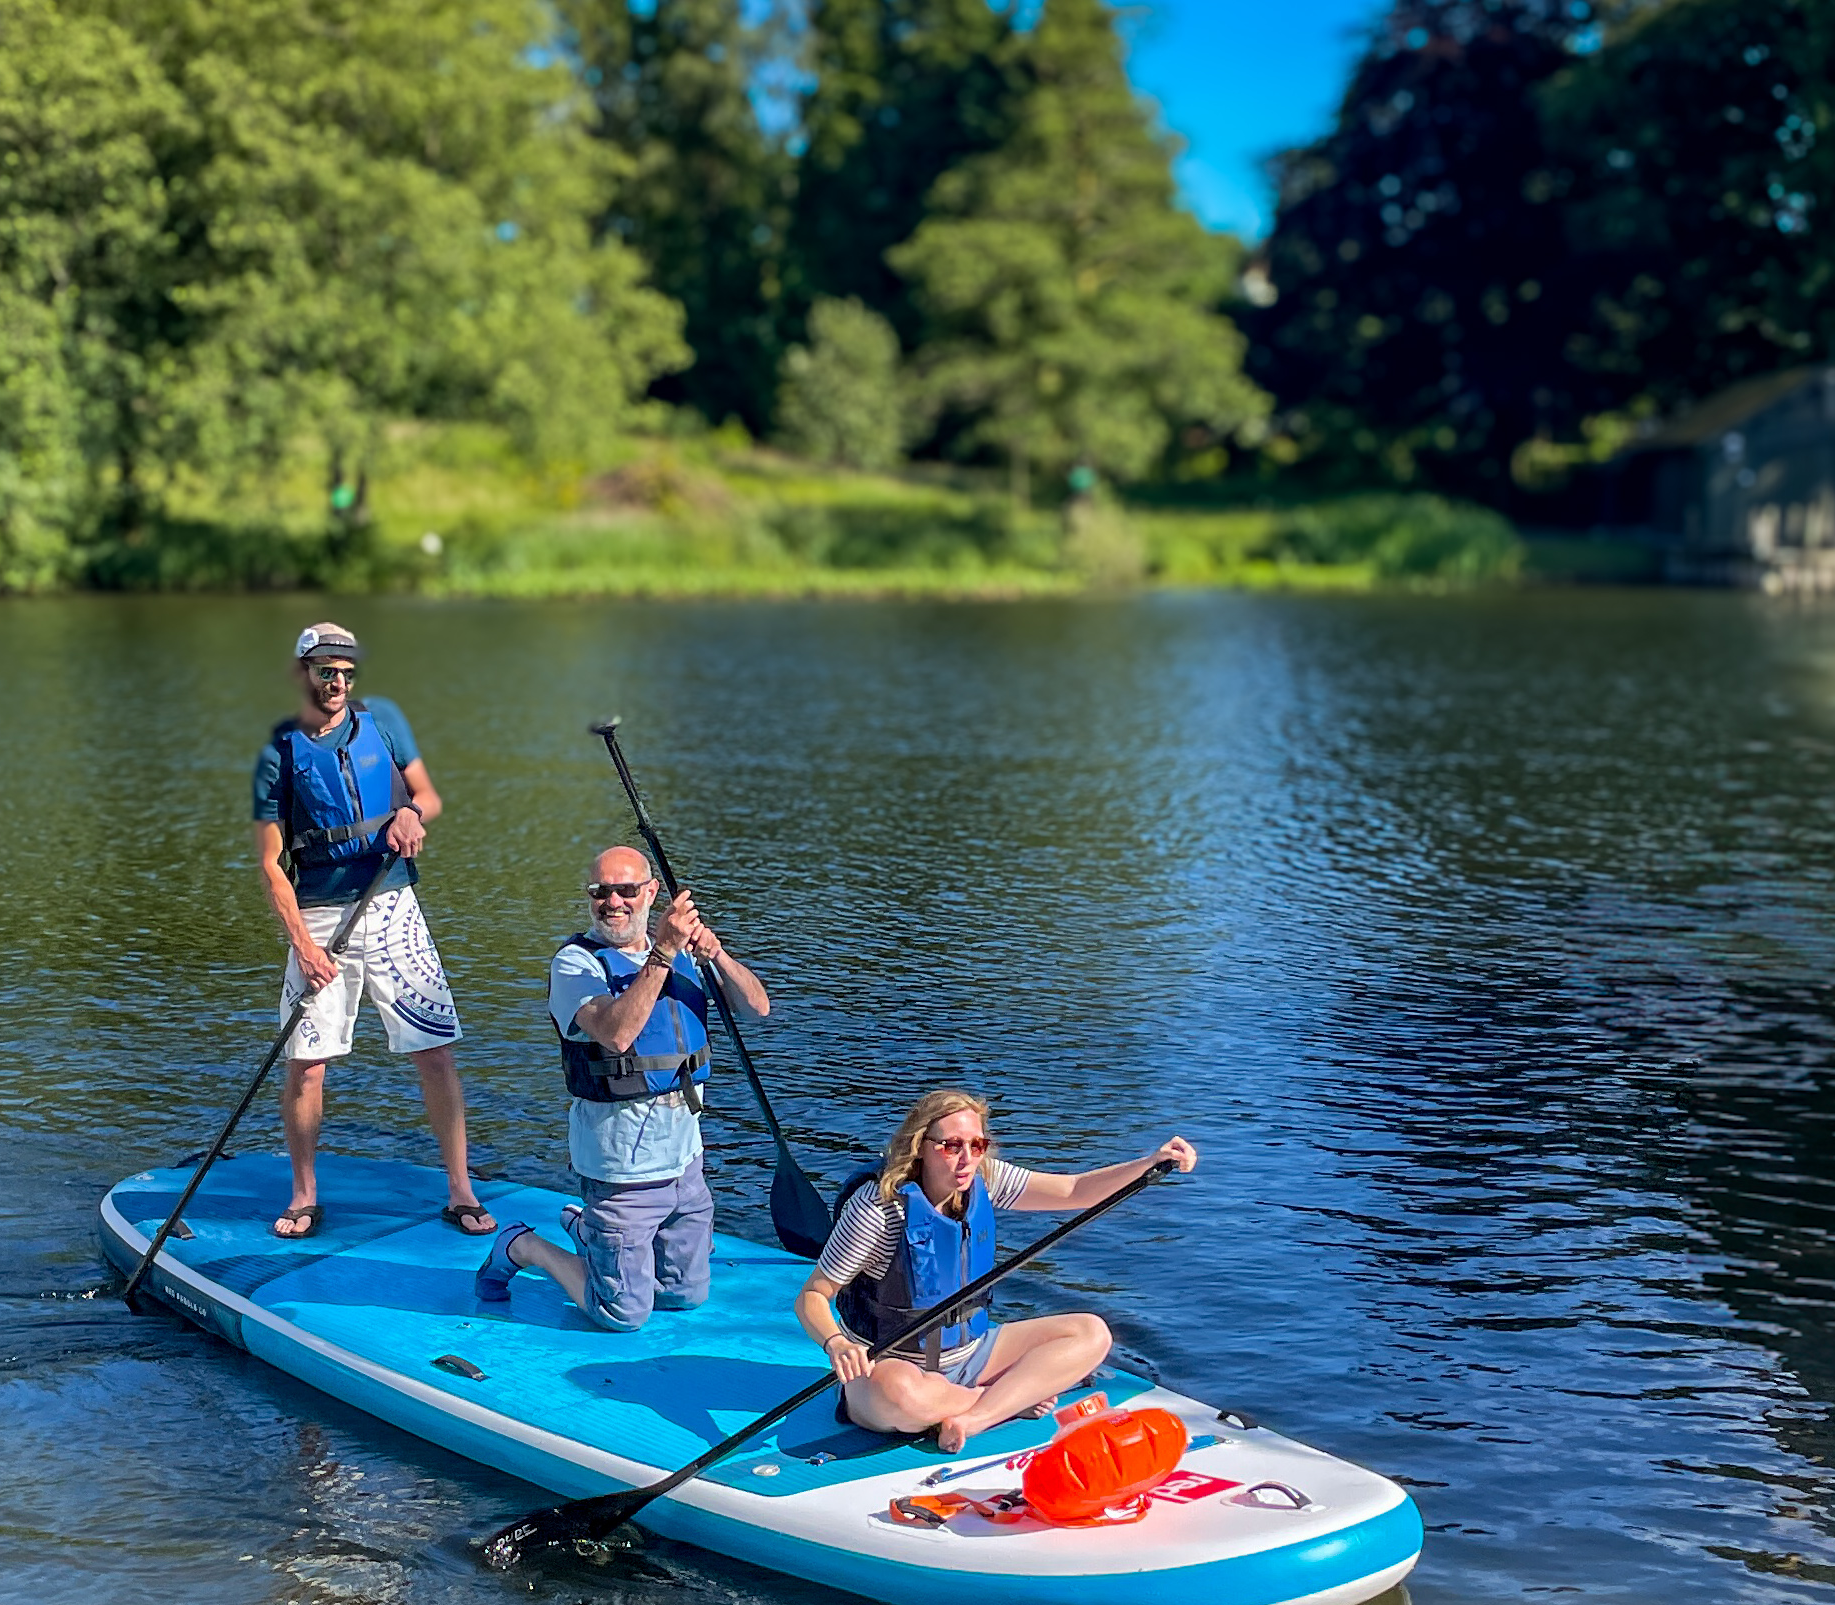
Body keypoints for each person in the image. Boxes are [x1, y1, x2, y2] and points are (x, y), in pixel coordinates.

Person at [251, 621, 496, 1241]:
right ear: (303, 673)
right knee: (307, 1063)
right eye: (326, 671)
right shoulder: (279, 751)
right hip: (318, 915)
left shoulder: (382, 720)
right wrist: (303, 946)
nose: (337, 682)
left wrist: (411, 813)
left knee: (435, 1051)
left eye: (346, 672)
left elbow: (428, 795)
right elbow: (270, 864)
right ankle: (304, 1194)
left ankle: (461, 1190)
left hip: (392, 906)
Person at [797, 1087, 1197, 1454]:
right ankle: (1005, 1399)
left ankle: (975, 1417)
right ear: (919, 1146)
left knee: (1092, 1333)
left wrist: (1150, 1163)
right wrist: (837, 1343)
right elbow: (813, 1295)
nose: (967, 1158)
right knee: (898, 1395)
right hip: (894, 1368)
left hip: (971, 1354)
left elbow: (1074, 1190)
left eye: (977, 1145)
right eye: (951, 1145)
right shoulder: (879, 1209)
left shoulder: (985, 1179)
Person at [476, 846, 771, 1330]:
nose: (613, 902)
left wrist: (714, 953)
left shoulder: (685, 954)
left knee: (683, 1295)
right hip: (621, 1168)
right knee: (622, 1313)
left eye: (627, 890)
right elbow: (617, 1035)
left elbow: (757, 1007)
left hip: (685, 1160)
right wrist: (663, 952)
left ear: (651, 893)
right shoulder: (576, 965)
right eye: (601, 892)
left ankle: (588, 1232)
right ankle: (524, 1245)